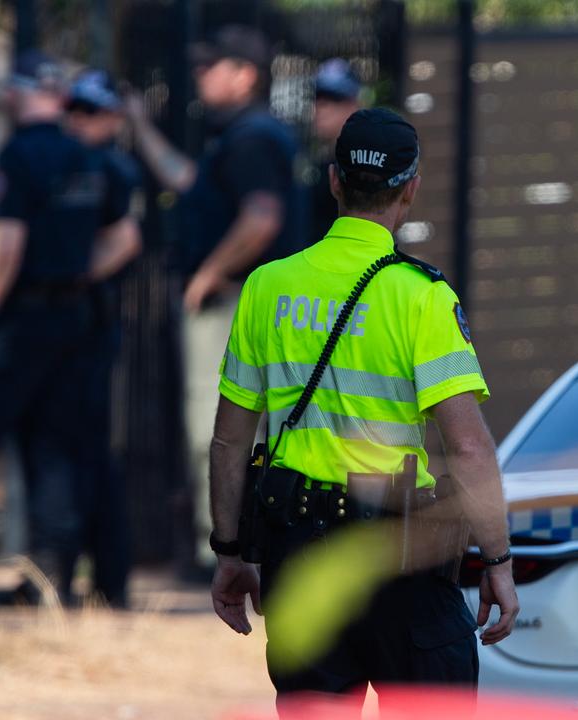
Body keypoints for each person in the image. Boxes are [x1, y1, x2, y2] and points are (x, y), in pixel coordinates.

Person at [206, 109, 520, 700]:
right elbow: (469, 446)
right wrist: (498, 562)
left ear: (333, 181)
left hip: (298, 557)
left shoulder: (267, 287)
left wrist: (229, 551)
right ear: (411, 189)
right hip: (399, 558)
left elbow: (229, 440)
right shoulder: (421, 297)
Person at [0, 50, 139, 604]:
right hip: (74, 321)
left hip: (22, 319)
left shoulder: (20, 155)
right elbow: (125, 238)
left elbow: (7, 242)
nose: (8, 101)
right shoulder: (91, 160)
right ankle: (51, 578)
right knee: (55, 449)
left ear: (24, 95)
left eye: (12, 92)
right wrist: (74, 274)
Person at [125, 24, 302, 570]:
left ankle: (224, 548)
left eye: (211, 66)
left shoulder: (251, 139)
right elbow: (189, 179)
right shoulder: (244, 136)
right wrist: (139, 126)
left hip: (231, 303)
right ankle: (244, 542)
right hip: (250, 304)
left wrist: (208, 273)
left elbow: (261, 219)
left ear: (244, 75)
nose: (200, 75)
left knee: (216, 426)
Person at [62, 68, 144, 607]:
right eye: (78, 110)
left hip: (90, 326)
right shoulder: (83, 161)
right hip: (80, 326)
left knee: (86, 452)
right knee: (75, 452)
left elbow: (127, 240)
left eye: (94, 112)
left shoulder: (112, 167)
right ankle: (92, 575)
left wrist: (74, 274)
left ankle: (108, 578)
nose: (82, 122)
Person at [307, 58, 364, 246]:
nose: (322, 108)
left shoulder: (362, 166)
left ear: (354, 105)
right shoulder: (317, 162)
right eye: (318, 98)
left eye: (334, 99)